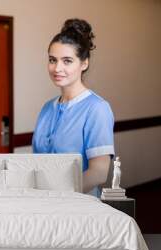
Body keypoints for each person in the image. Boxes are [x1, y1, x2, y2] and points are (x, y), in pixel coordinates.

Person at [32, 18, 115, 197]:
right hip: (43, 205)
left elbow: (99, 173)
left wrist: (56, 196)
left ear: (84, 63)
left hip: (79, 209)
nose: (57, 68)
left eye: (67, 61)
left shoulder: (97, 108)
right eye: (52, 60)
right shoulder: (47, 109)